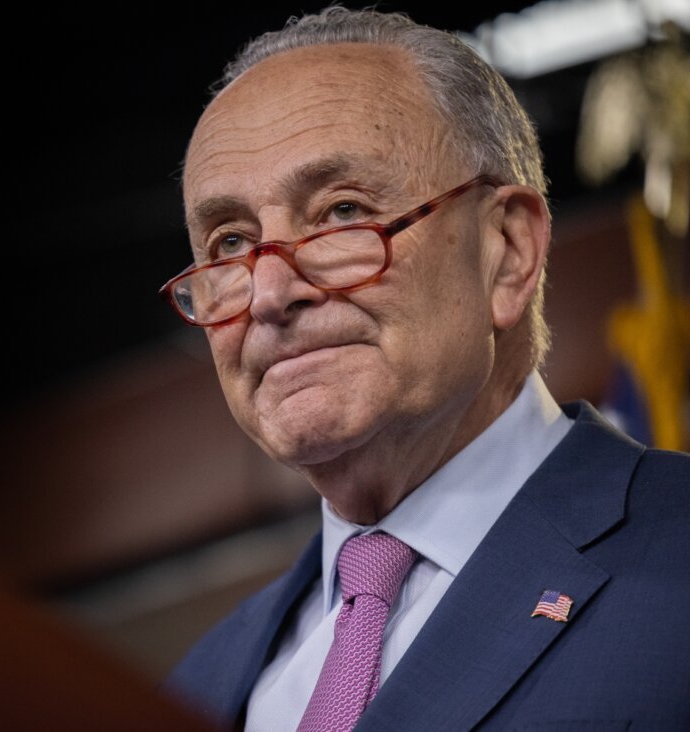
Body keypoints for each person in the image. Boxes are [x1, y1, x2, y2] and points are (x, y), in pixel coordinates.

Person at [158, 8, 689, 731]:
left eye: (341, 212)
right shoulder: (189, 691)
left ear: (506, 249)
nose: (271, 293)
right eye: (227, 247)